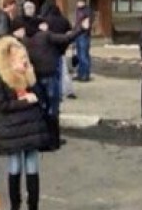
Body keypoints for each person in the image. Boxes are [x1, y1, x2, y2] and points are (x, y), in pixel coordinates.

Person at [0, 36, 51, 210]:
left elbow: (43, 101)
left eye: (25, 58)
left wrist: (32, 81)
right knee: (15, 166)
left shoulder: (29, 76)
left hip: (31, 128)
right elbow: (2, 106)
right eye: (20, 58)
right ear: (8, 60)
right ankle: (14, 207)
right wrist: (25, 101)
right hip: (12, 130)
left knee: (32, 166)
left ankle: (33, 209)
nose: (24, 62)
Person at [11, 13, 90, 150]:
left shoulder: (24, 41)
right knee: (53, 109)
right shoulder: (45, 36)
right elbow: (66, 38)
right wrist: (81, 28)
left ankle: (42, 140)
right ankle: (54, 141)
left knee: (41, 108)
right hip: (50, 75)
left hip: (35, 79)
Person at [73, 0, 93, 82]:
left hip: (84, 35)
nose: (78, 3)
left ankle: (85, 74)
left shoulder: (87, 11)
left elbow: (87, 23)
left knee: (83, 55)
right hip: (77, 34)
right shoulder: (78, 10)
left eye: (80, 2)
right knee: (79, 55)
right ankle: (80, 73)